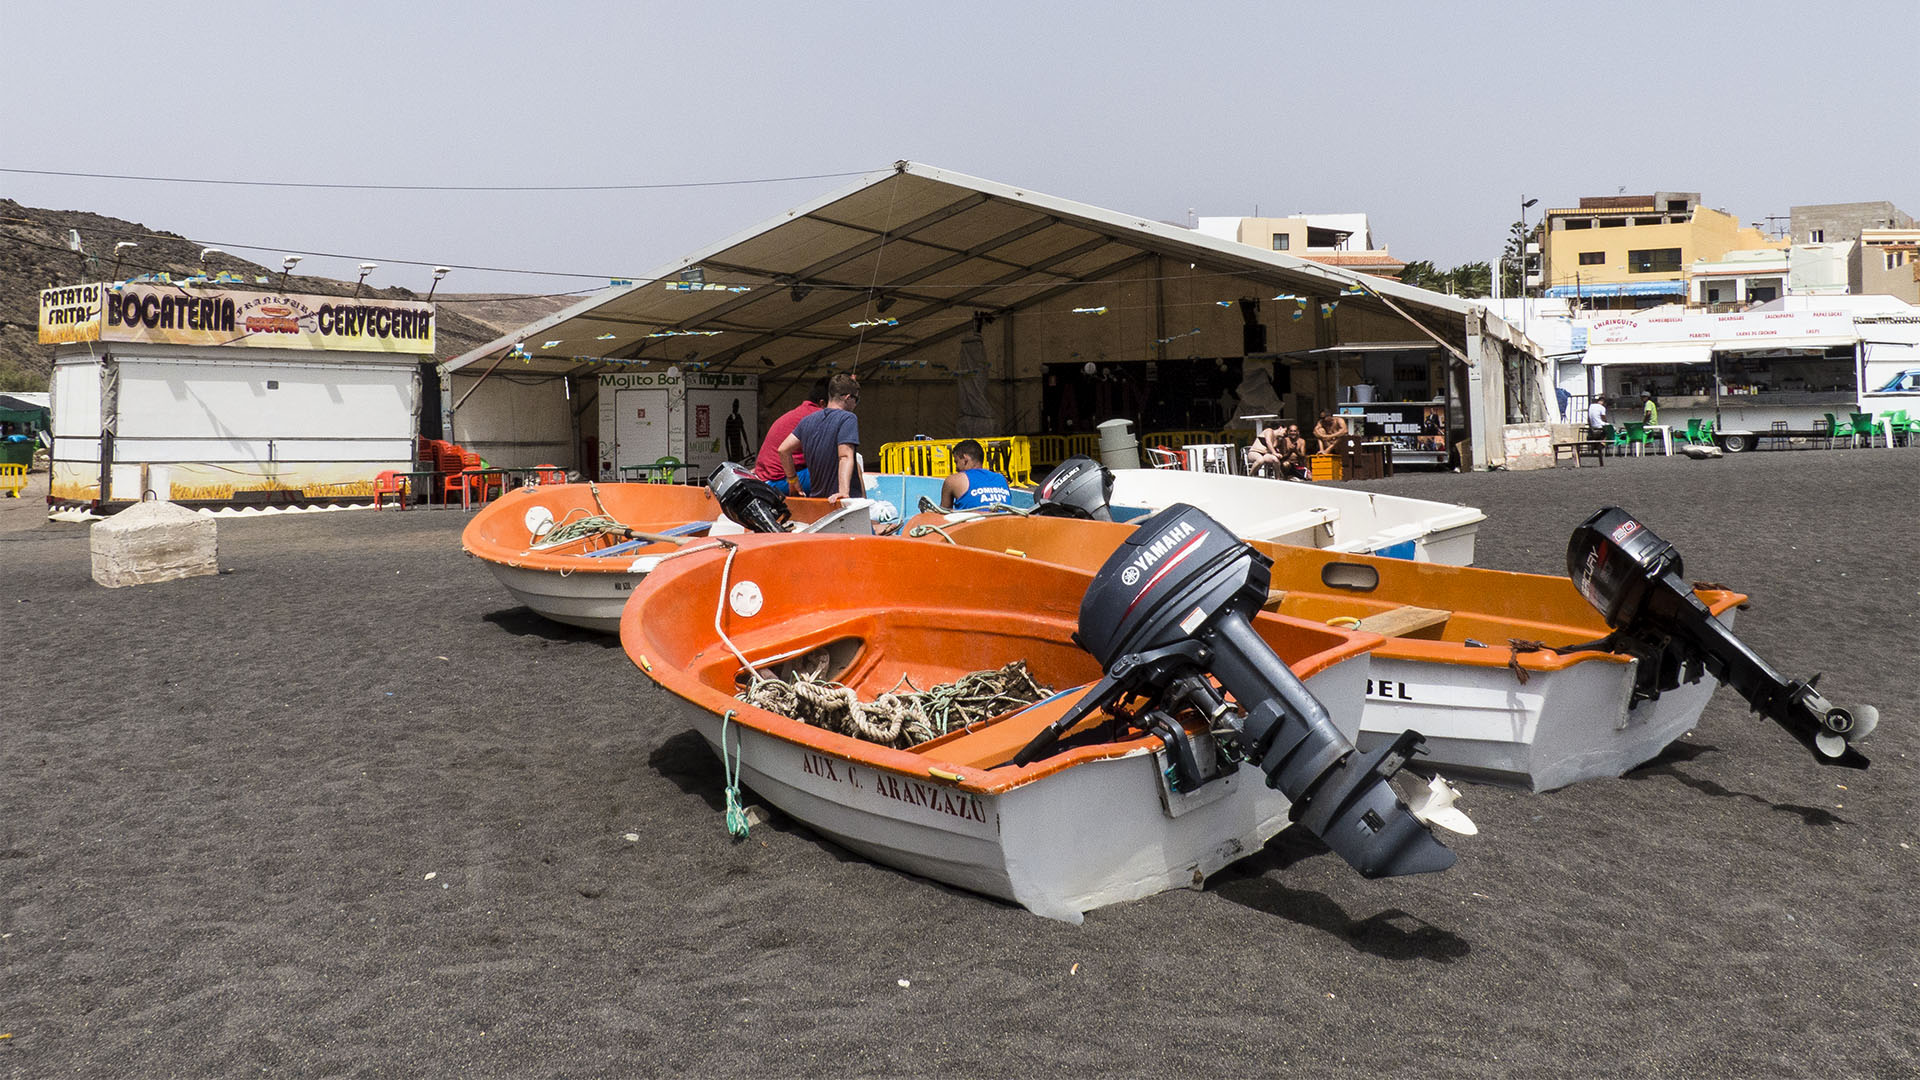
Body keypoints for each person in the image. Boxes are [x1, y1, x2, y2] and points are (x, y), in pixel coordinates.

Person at [780, 373, 864, 500]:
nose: (856, 405)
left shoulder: (806, 421)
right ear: (847, 397)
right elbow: (845, 456)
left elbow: (783, 450)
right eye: (856, 400)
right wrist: (843, 492)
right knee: (855, 461)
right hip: (841, 502)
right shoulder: (848, 418)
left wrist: (793, 482)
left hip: (818, 500)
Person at [753, 378, 828, 495]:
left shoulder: (799, 413)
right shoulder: (818, 416)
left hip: (765, 478)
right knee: (842, 464)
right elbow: (783, 451)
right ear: (823, 403)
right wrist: (793, 480)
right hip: (778, 482)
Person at [939, 439, 1012, 510]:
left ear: (965, 459)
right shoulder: (1002, 479)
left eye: (956, 462)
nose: (956, 468)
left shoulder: (953, 481)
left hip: (976, 522)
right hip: (1005, 521)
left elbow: (942, 516)